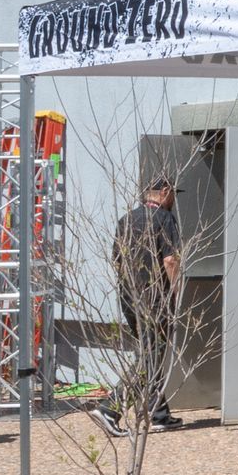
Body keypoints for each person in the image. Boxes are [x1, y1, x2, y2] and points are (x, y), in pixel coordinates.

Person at [92, 177, 184, 436]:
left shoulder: (126, 219)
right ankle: (110, 408)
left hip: (130, 299)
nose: (174, 199)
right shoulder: (164, 219)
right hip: (155, 300)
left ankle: (159, 414)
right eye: (173, 194)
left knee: (148, 352)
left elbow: (117, 260)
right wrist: (174, 293)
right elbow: (170, 260)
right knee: (152, 359)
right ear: (164, 193)